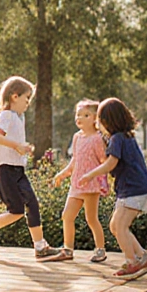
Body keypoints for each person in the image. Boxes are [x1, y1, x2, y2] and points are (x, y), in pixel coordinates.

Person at [0, 76, 66, 261]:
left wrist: (22, 147)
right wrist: (16, 146)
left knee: (31, 205)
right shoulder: (7, 115)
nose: (28, 103)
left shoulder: (19, 117)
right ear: (14, 97)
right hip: (7, 171)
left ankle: (40, 246)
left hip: (18, 171)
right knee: (16, 211)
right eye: (26, 99)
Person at [77, 97, 147, 280]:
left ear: (108, 122)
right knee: (116, 226)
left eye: (100, 120)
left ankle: (132, 261)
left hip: (134, 189)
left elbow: (111, 163)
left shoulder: (118, 138)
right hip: (134, 189)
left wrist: (90, 174)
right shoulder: (124, 136)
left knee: (120, 226)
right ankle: (142, 256)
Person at [51, 99, 109, 262]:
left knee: (91, 218)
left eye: (85, 115)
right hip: (76, 184)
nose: (80, 118)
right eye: (78, 114)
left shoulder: (98, 138)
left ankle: (100, 249)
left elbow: (104, 161)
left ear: (95, 119)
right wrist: (62, 174)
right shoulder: (77, 137)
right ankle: (68, 249)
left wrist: (102, 180)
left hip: (91, 185)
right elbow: (75, 160)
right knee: (67, 216)